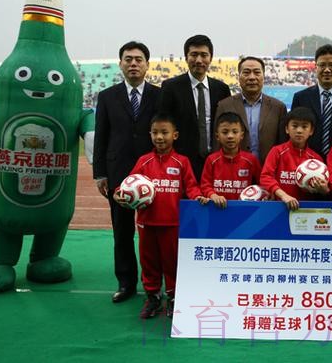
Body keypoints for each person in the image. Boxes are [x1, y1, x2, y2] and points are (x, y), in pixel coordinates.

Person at [114, 113, 207, 319]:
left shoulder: (182, 162)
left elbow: (191, 187)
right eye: (155, 132)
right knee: (149, 262)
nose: (159, 137)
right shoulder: (144, 161)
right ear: (150, 134)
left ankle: (174, 297)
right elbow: (129, 184)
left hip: (172, 223)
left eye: (164, 132)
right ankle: (153, 296)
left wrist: (198, 197)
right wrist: (119, 193)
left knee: (172, 261)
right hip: (146, 223)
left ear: (175, 135)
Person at [93, 41, 160, 303]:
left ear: (147, 65)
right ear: (120, 64)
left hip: (152, 173)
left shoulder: (160, 95)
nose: (133, 64)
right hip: (118, 172)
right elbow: (101, 136)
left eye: (138, 59)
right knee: (121, 232)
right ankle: (126, 282)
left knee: (154, 231)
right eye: (128, 59)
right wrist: (100, 173)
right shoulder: (107, 96)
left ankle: (155, 282)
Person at [158, 35, 231, 181]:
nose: (199, 60)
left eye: (204, 55)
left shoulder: (222, 89)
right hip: (181, 162)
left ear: (210, 58)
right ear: (186, 57)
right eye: (194, 54)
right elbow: (163, 123)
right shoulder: (170, 87)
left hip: (215, 161)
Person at [215, 56, 287, 165]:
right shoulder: (224, 105)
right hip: (233, 169)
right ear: (239, 77)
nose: (252, 77)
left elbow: (283, 145)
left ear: (264, 76)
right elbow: (217, 143)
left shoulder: (278, 107)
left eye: (257, 72)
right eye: (246, 73)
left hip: (267, 169)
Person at [260, 107, 329, 210]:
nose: (299, 131)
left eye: (304, 127)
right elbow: (265, 177)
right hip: (280, 208)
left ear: (311, 131)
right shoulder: (277, 151)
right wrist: (284, 196)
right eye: (295, 126)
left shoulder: (316, 159)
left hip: (307, 211)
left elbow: (324, 191)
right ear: (287, 129)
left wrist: (323, 190)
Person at [201, 112, 261, 208]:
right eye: (225, 132)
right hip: (217, 209)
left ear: (241, 135)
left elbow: (261, 184)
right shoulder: (211, 160)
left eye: (235, 132)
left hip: (244, 210)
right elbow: (205, 185)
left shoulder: (251, 160)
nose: (230, 136)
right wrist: (213, 195)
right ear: (217, 136)